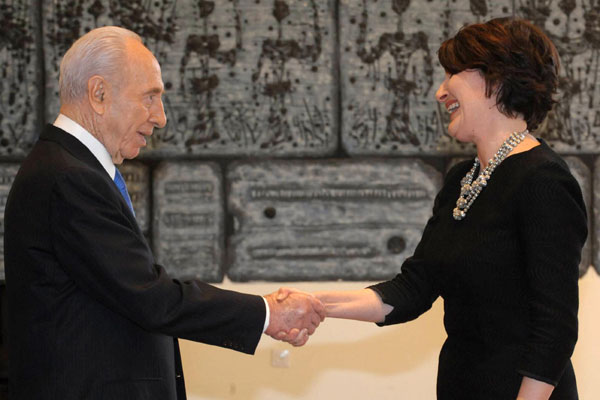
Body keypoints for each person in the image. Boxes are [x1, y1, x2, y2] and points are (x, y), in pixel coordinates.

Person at [3, 26, 323, 400]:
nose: (161, 117)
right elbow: (149, 297)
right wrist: (267, 313)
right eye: (150, 97)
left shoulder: (70, 168)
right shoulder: (67, 178)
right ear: (99, 93)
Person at [280, 18, 587, 399]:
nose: (440, 93)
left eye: (452, 74)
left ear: (497, 77)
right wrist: (317, 304)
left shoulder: (543, 180)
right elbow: (413, 288)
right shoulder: (462, 179)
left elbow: (555, 328)